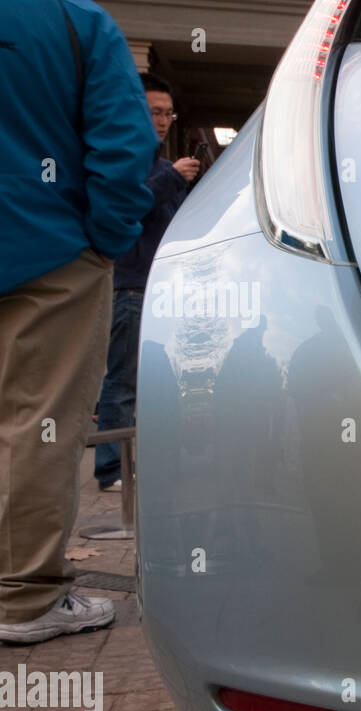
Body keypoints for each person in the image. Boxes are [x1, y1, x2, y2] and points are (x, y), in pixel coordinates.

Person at [0, 0, 157, 644]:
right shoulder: (74, 21)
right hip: (47, 251)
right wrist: (104, 239)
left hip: (47, 240)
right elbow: (124, 140)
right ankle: (24, 597)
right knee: (38, 424)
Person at [94, 73, 198, 492]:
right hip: (131, 288)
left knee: (152, 383)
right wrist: (173, 177)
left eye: (168, 113)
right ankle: (111, 470)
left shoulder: (159, 167)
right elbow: (126, 207)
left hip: (161, 291)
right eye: (154, 111)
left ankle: (138, 465)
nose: (162, 120)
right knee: (121, 382)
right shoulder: (123, 161)